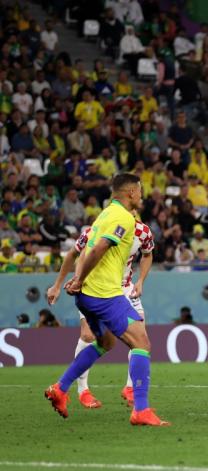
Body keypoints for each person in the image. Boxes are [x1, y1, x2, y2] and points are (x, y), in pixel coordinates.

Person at [44, 174, 168, 426]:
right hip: (103, 293)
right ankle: (141, 410)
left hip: (88, 294)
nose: (141, 196)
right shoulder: (123, 217)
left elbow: (83, 250)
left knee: (106, 342)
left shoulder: (103, 215)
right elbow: (99, 248)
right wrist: (78, 279)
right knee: (141, 342)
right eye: (140, 192)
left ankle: (60, 388)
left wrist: (77, 280)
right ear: (131, 192)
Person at [47, 208, 155, 408]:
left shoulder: (142, 232)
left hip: (124, 289)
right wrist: (60, 283)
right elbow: (76, 254)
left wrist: (140, 280)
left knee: (137, 338)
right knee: (90, 337)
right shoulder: (95, 231)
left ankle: (131, 388)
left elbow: (147, 254)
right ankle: (82, 390)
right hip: (95, 288)